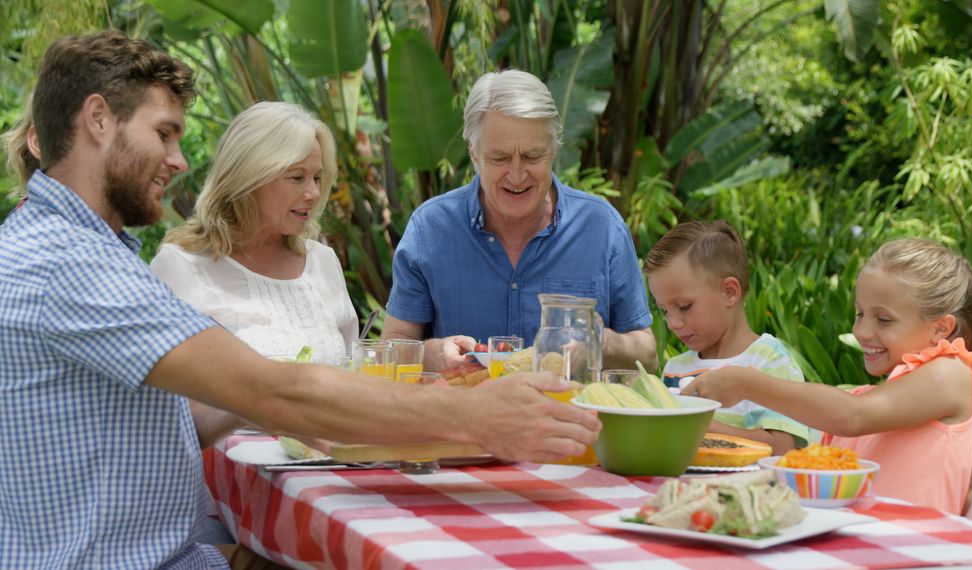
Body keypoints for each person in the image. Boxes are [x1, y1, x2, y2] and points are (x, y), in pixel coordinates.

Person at [0, 30, 600, 569]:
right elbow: (271, 389)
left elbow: (188, 415)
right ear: (98, 120)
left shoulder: (73, 249)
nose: (180, 161)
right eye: (164, 133)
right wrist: (476, 416)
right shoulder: (68, 264)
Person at [683, 238, 972, 515]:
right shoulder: (886, 394)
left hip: (907, 550)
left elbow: (850, 416)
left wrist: (745, 382)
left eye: (884, 320)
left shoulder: (953, 374)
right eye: (860, 313)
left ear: (940, 329)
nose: (862, 331)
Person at [382, 69, 657, 372]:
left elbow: (647, 354)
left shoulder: (601, 227)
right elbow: (392, 346)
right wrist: (431, 354)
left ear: (554, 149)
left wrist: (599, 342)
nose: (516, 175)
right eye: (499, 158)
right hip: (463, 415)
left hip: (570, 415)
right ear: (474, 153)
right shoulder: (430, 229)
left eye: (532, 156)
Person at [151, 101, 358, 363]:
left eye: (316, 178)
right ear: (249, 179)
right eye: (297, 177)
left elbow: (353, 371)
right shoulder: (180, 266)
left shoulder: (322, 262)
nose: (314, 193)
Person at [644, 220, 809, 455]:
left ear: (729, 292)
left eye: (684, 306)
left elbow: (784, 447)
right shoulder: (675, 368)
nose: (673, 323)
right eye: (665, 310)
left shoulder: (769, 361)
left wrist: (705, 428)